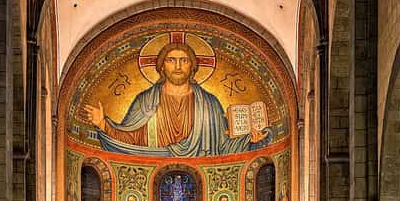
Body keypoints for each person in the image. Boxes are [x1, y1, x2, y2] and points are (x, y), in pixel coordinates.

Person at [81, 40, 270, 157]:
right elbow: (129, 139)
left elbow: (221, 147)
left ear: (193, 67)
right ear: (162, 66)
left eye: (184, 60)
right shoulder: (146, 101)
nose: (178, 66)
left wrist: (250, 140)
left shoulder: (210, 104)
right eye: (171, 60)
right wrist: (103, 125)